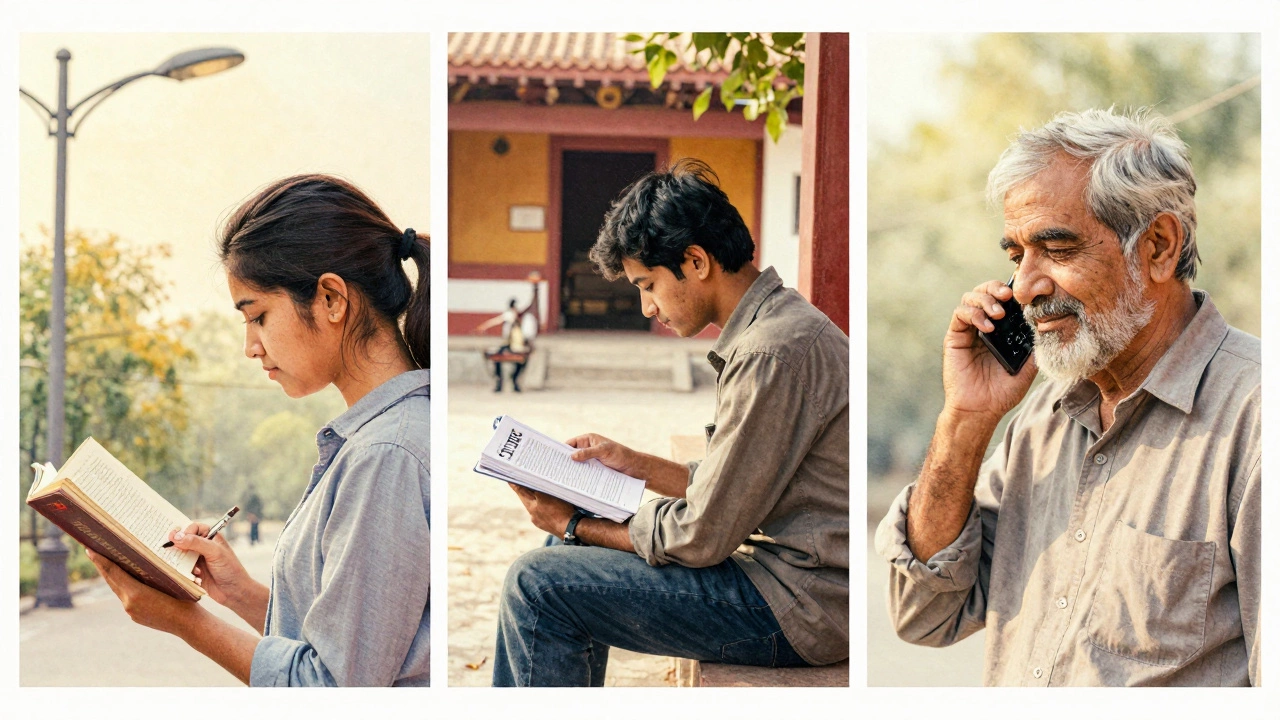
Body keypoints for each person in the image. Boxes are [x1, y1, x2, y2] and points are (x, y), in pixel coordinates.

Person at [875, 109, 1260, 686]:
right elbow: (925, 614)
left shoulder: (1255, 416)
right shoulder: (1041, 418)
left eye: (1056, 250)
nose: (1025, 286)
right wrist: (965, 419)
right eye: (1016, 256)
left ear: (1157, 245)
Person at [493, 159, 850, 686]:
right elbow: (733, 487)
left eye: (648, 285)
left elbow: (703, 534)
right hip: (789, 583)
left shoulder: (771, 353)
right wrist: (634, 466)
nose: (645, 307)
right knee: (559, 555)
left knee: (536, 584)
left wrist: (576, 522)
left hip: (799, 606)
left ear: (696, 260)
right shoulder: (777, 326)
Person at [86, 174, 433, 687]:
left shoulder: (385, 453)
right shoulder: (378, 437)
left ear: (332, 299)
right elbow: (359, 646)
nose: (251, 346)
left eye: (259, 316)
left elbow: (335, 688)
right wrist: (238, 593)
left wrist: (186, 622)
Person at [475, 298, 531, 392]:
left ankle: (514, 380)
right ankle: (500, 383)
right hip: (508, 343)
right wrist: (484, 326)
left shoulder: (521, 319)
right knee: (497, 360)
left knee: (522, 360)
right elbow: (497, 321)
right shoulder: (509, 315)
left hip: (516, 344)